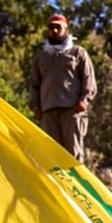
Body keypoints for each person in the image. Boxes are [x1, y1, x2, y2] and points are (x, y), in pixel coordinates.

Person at [28, 15, 97, 160]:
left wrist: (84, 100)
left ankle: (75, 183)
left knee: (73, 153)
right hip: (48, 113)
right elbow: (34, 85)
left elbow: (88, 78)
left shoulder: (78, 53)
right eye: (51, 27)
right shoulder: (41, 57)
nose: (54, 30)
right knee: (52, 155)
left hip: (72, 110)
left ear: (66, 29)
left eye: (58, 27)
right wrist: (35, 108)